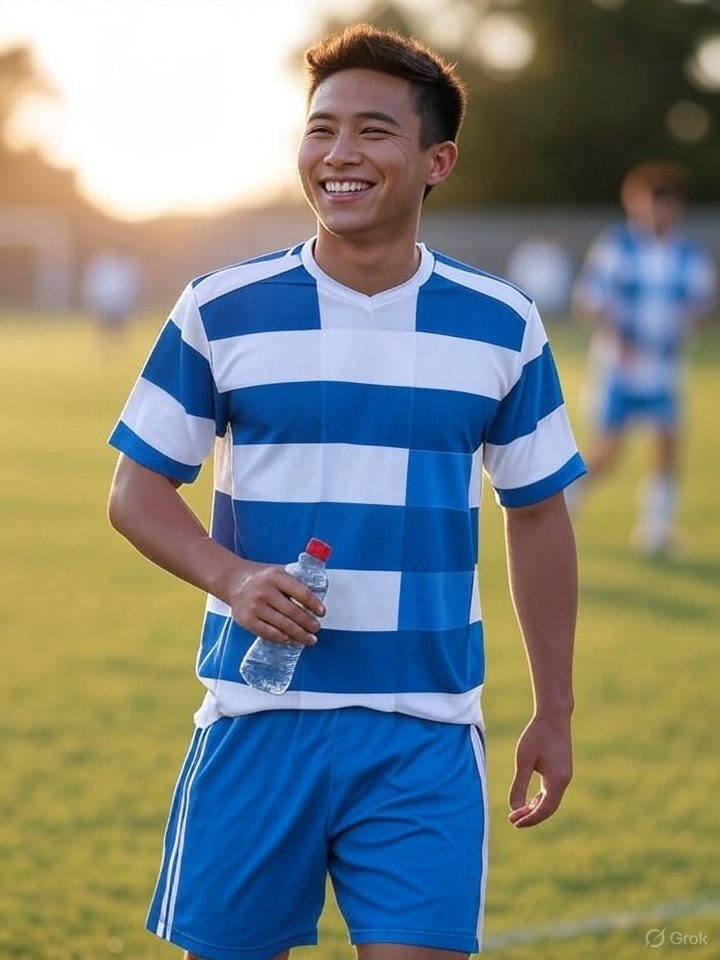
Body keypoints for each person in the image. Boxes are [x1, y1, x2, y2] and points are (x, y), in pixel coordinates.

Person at [107, 23, 584, 960]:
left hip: (425, 733)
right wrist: (231, 576)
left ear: (437, 159)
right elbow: (135, 489)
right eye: (322, 129)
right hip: (257, 722)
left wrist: (556, 710)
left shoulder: (502, 323)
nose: (339, 154)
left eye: (373, 131)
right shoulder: (219, 308)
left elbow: (535, 511)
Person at [570, 160, 717, 555]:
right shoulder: (617, 245)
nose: (659, 211)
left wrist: (690, 319)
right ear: (634, 203)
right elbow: (588, 302)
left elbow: (704, 302)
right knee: (609, 449)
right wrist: (620, 335)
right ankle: (566, 503)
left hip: (664, 366)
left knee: (667, 442)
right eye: (652, 202)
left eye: (666, 203)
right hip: (619, 365)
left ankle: (656, 530)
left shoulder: (687, 254)